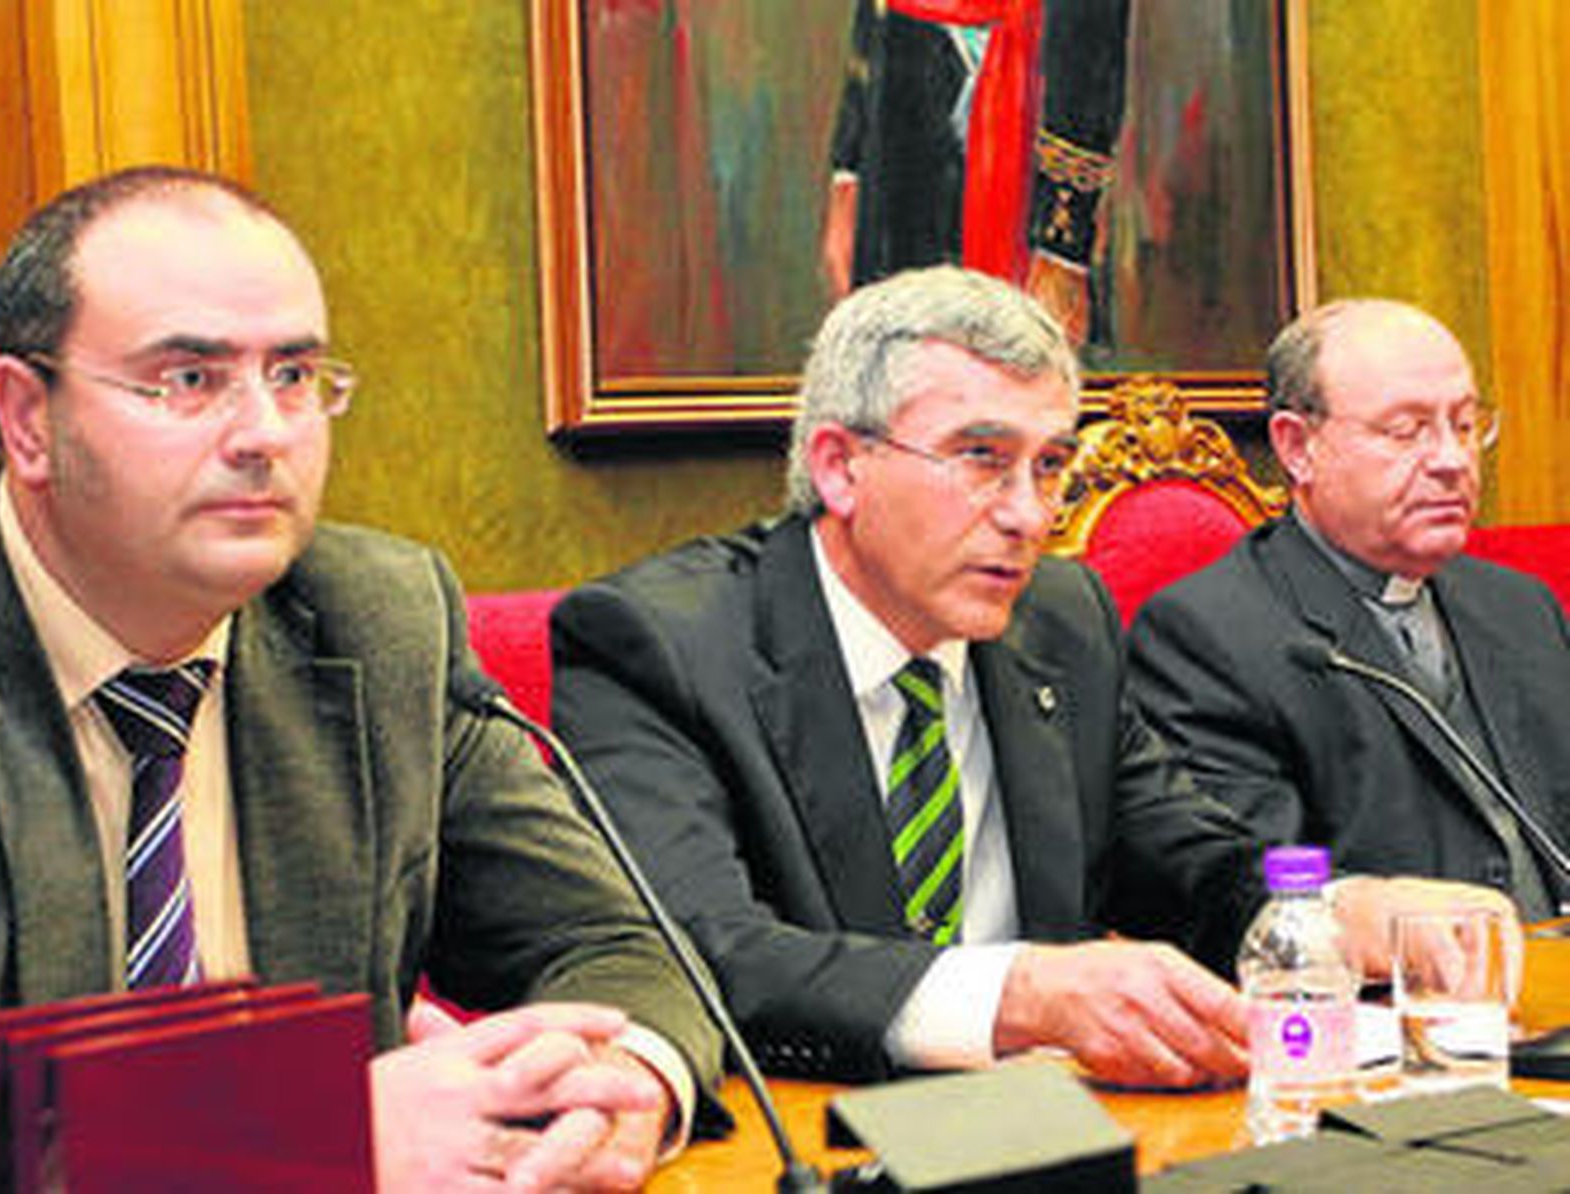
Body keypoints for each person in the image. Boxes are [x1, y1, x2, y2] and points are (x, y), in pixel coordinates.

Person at [550, 266, 1520, 1088]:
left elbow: (1189, 866)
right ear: (840, 468)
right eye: (982, 459)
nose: (1028, 515)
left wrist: (1338, 910)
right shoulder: (657, 646)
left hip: (1060, 1143)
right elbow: (700, 953)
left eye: (1050, 465)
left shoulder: (1061, 621)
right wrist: (1016, 995)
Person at [0, 166, 721, 1192]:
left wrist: (606, 1085)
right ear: (26, 418)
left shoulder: (376, 623)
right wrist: (298, 1136)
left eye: (293, 375)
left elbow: (614, 943)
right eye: (189, 380)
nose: (263, 433)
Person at [1127, 298, 1570, 922]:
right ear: (1297, 446)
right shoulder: (1208, 637)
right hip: (1388, 1005)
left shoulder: (1521, 607)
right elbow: (1250, 895)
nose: (1451, 460)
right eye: (1407, 430)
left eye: (1466, 425)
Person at [822, 0, 1131, 345]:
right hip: (897, 119)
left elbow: (1091, 41)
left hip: (1027, 133)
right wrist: (848, 169)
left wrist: (1063, 248)